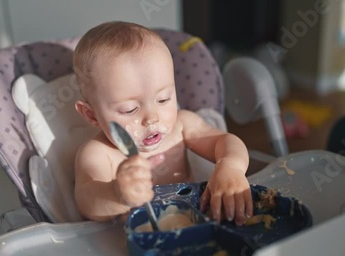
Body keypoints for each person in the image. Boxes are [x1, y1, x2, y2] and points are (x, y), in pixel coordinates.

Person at [73, 21, 252, 226]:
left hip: (196, 224)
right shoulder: (99, 153)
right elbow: (86, 202)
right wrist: (116, 193)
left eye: (163, 99)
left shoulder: (182, 125)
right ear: (91, 115)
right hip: (135, 244)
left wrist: (230, 167)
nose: (152, 118)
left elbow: (224, 141)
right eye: (129, 109)